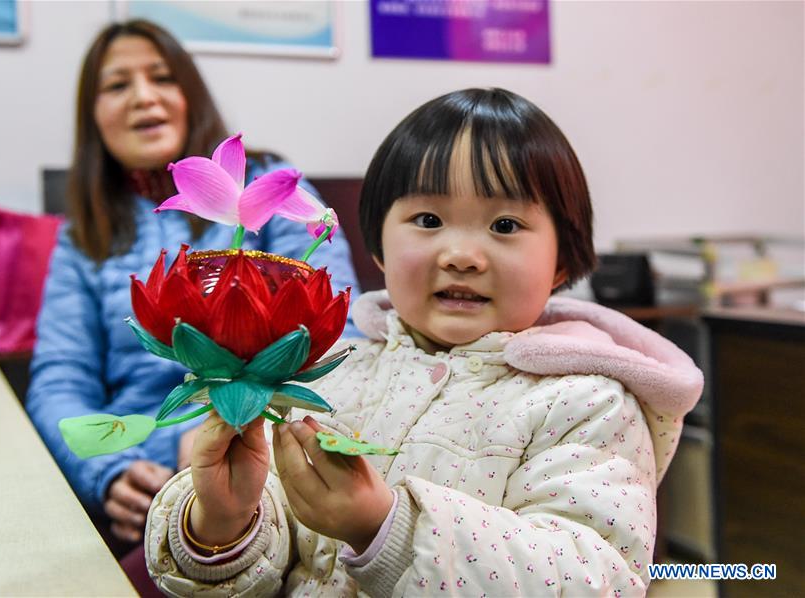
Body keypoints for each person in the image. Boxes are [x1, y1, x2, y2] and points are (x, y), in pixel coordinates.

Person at [145, 88, 703, 596]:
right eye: (429, 218)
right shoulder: (331, 376)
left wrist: (387, 529)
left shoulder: (586, 403)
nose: (461, 254)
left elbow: (594, 578)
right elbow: (262, 568)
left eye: (505, 225)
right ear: (380, 250)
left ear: (562, 261)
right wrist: (224, 525)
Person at [25, 18, 361, 557]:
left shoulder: (272, 184)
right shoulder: (82, 234)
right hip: (140, 473)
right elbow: (59, 378)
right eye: (116, 85)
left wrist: (226, 429)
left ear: (189, 92)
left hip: (266, 458)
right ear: (93, 116)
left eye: (162, 77)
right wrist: (107, 469)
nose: (143, 98)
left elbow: (343, 333)